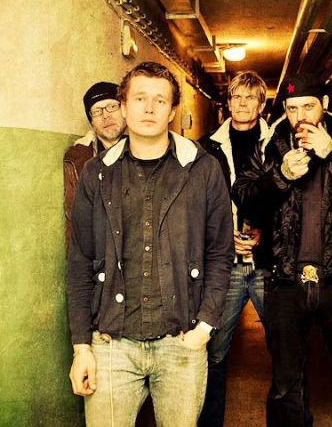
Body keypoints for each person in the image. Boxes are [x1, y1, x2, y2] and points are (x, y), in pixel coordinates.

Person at [66, 62, 233, 426]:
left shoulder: (203, 169)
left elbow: (220, 253)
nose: (149, 108)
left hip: (181, 341)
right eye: (140, 98)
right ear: (124, 106)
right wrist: (82, 347)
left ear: (172, 111)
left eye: (160, 100)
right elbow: (79, 260)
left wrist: (205, 327)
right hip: (112, 344)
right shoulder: (96, 173)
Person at [232, 73, 332, 427]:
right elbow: (243, 195)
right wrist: (280, 176)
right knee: (285, 382)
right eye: (292, 109)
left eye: (308, 106)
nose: (300, 116)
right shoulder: (270, 145)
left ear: (325, 105)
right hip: (285, 280)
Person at [198, 71, 272, 427]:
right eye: (236, 97)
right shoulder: (205, 147)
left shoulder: (279, 143)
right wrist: (222, 236)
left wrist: (265, 233)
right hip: (224, 266)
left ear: (261, 104)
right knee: (213, 354)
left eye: (250, 97)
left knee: (288, 353)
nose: (242, 103)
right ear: (227, 102)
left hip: (268, 265)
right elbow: (197, 205)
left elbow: (291, 200)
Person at [63, 81, 126, 250]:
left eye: (112, 106)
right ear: (91, 121)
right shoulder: (78, 159)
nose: (106, 116)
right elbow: (75, 221)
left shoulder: (145, 152)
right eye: (97, 111)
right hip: (98, 256)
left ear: (125, 110)